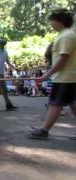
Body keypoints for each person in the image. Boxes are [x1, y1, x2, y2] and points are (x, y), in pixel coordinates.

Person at [28, 9, 76, 140]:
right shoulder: (65, 35)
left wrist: (48, 74)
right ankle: (44, 130)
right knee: (72, 103)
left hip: (65, 77)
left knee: (55, 103)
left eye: (52, 20)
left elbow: (63, 58)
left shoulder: (66, 36)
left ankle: (44, 130)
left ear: (59, 21)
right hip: (68, 76)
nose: (50, 23)